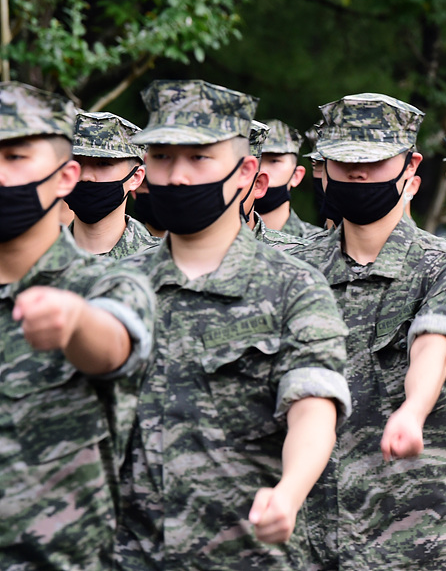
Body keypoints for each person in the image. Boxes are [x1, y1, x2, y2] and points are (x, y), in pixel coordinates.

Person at [115, 79, 350, 570]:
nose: (177, 177)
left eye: (199, 157)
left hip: (245, 555)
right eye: (161, 157)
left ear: (245, 171)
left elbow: (313, 402)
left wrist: (289, 491)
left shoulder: (294, 287)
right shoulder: (114, 287)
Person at [289, 92, 446, 570]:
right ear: (323, 168)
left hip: (415, 539)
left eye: (374, 162)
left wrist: (412, 411)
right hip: (303, 537)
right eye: (344, 161)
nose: (358, 174)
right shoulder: (291, 272)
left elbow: (433, 347)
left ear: (410, 167)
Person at [0, 82, 155, 570]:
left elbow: (113, 343)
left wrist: (74, 322)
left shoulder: (111, 285)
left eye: (15, 156)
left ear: (66, 177)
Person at [65, 111, 158, 259]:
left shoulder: (162, 261)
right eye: (77, 162)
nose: (86, 176)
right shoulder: (32, 259)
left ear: (135, 177)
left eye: (103, 164)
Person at [255, 119, 322, 237]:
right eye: (256, 160)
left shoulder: (317, 244)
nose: (261, 170)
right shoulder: (221, 240)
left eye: (274, 161)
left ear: (296, 176)